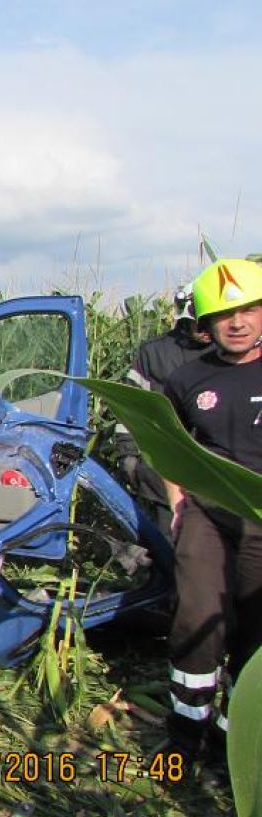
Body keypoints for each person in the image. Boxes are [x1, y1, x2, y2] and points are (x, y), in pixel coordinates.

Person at [161, 258, 262, 762]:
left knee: (256, 632)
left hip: (260, 516)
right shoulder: (188, 379)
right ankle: (185, 735)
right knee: (197, 619)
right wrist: (178, 503)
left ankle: (232, 742)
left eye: (248, 310)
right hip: (208, 512)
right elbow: (167, 445)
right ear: (205, 323)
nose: (237, 322)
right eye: (224, 314)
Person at [112, 285, 211, 539]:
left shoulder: (228, 354)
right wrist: (129, 459)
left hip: (215, 477)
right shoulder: (154, 353)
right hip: (163, 475)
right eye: (200, 321)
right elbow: (129, 407)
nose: (206, 329)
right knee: (169, 545)